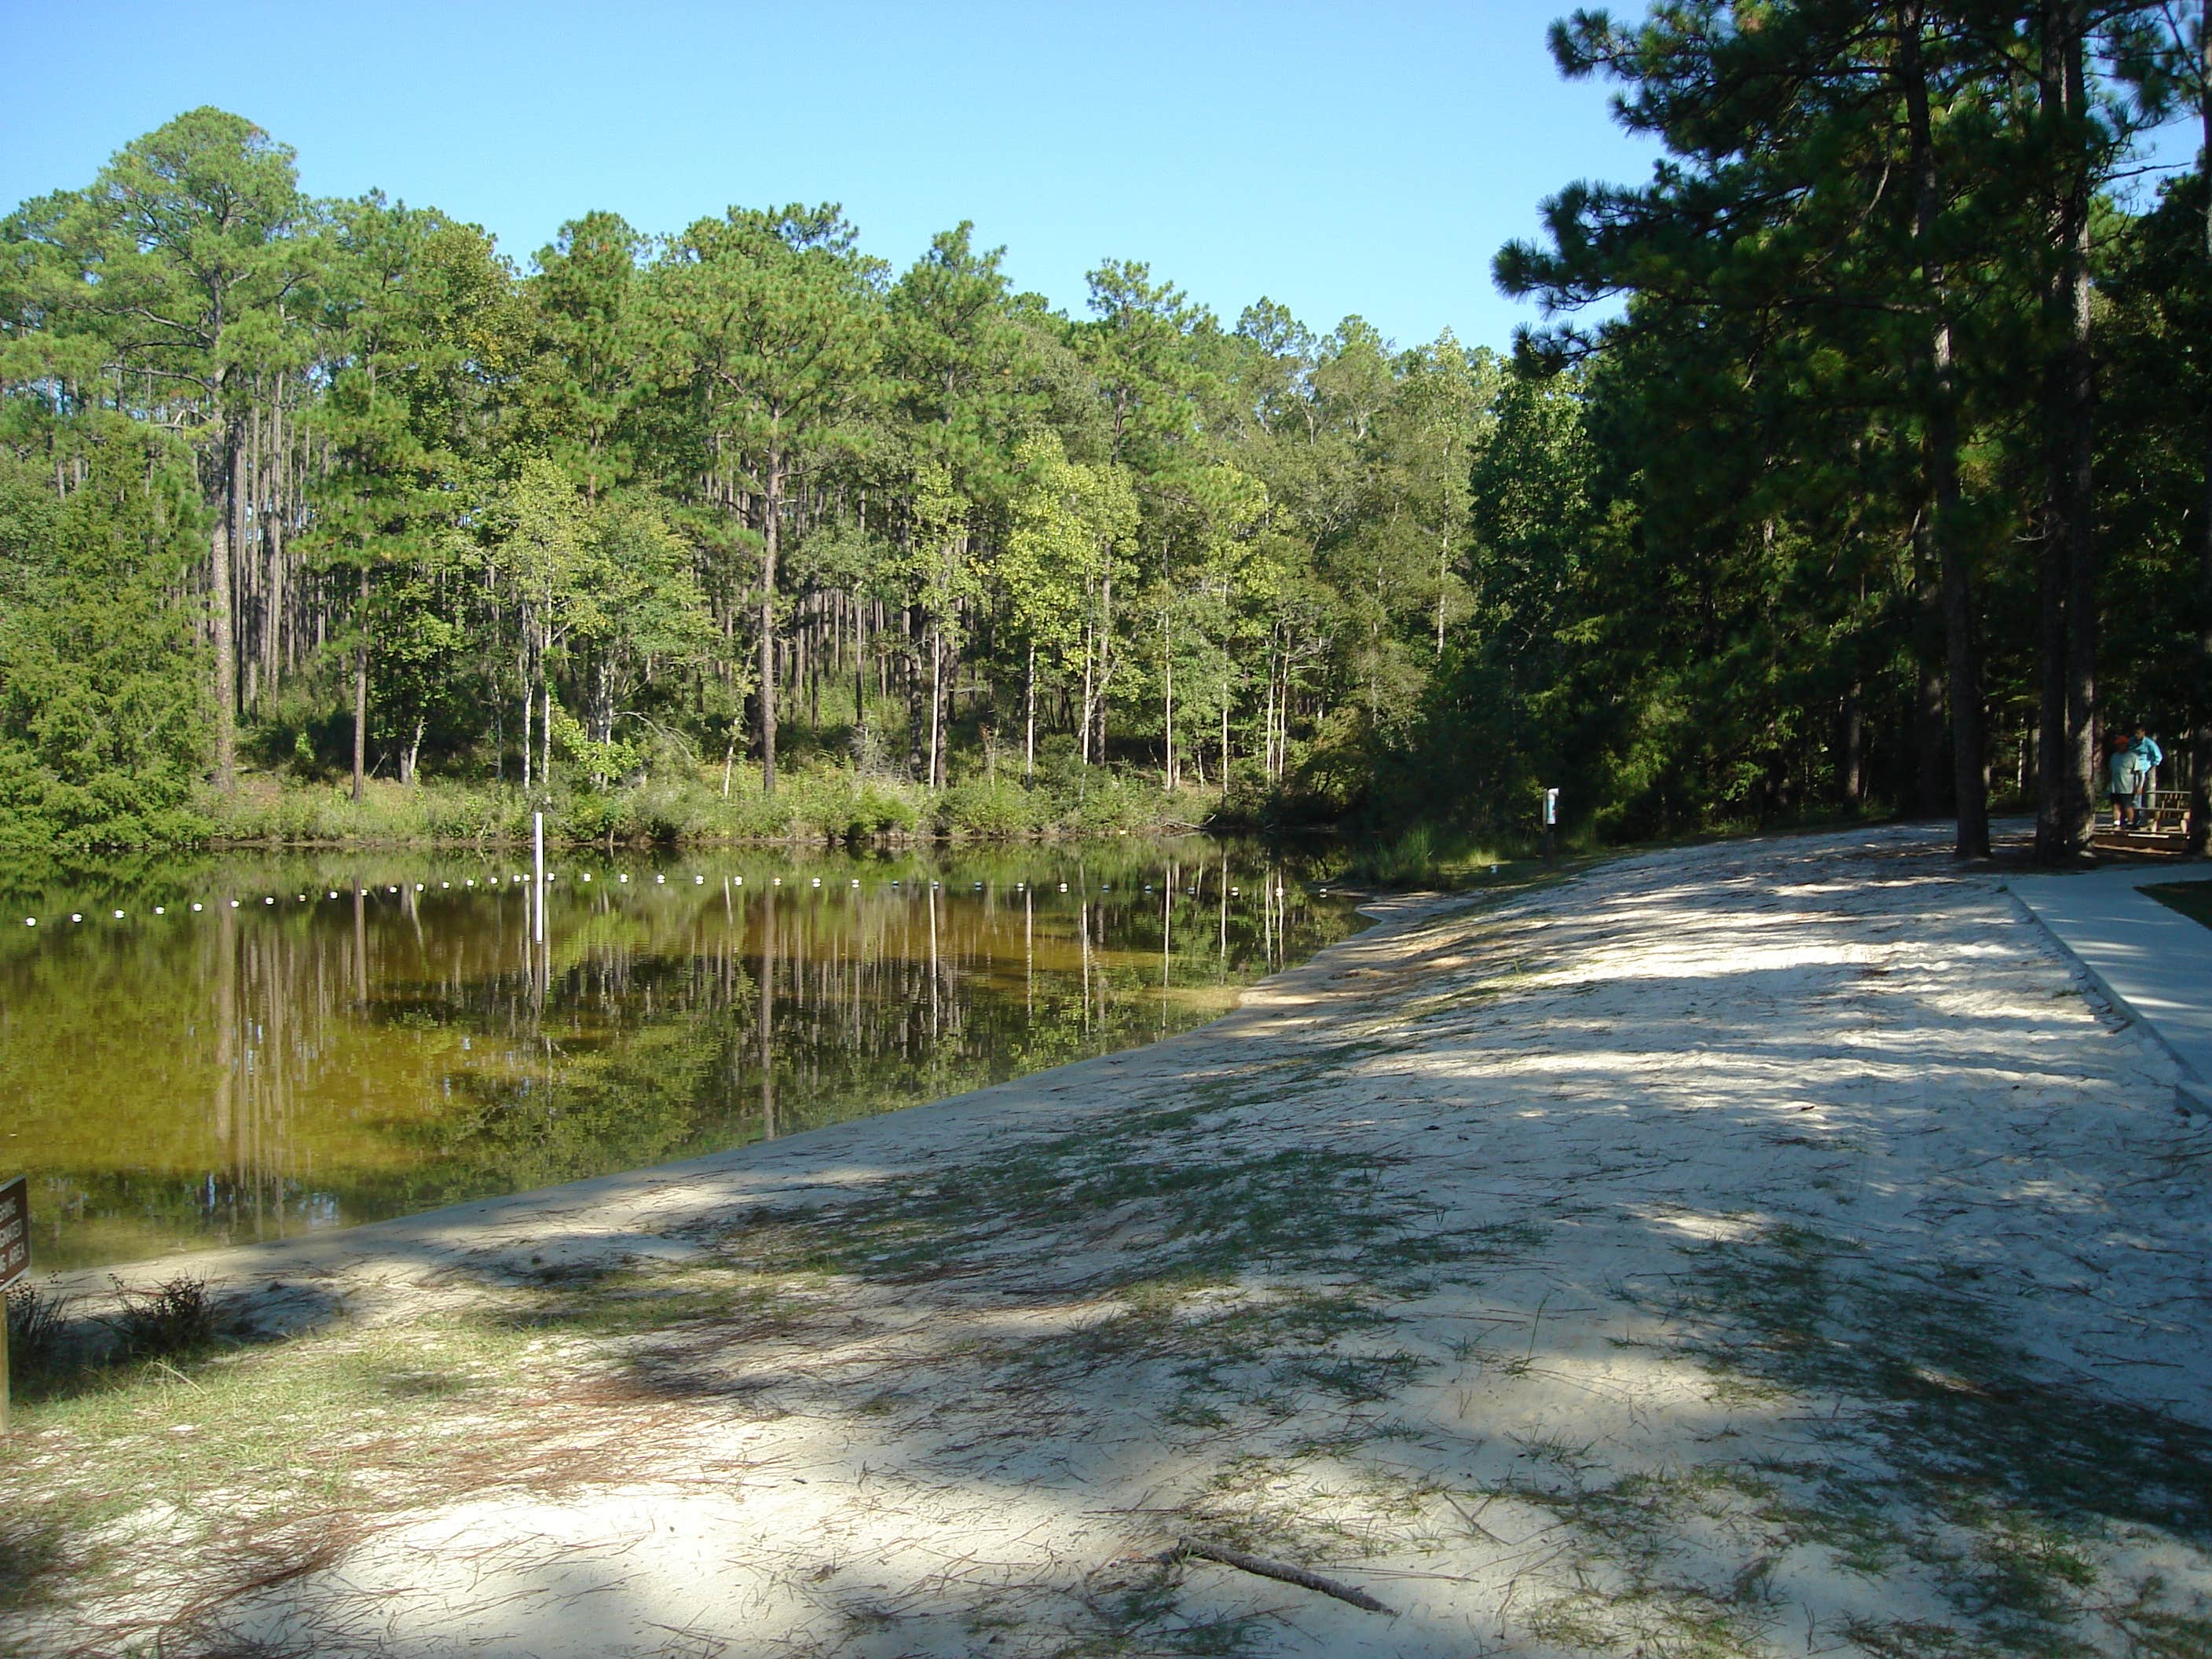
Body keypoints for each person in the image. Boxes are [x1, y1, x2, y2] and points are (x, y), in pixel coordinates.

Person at [2108, 730, 2144, 831]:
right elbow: (2110, 771)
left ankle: (2130, 823)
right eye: (2118, 745)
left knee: (2128, 806)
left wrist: (2139, 786)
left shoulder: (2133, 757)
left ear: (2125, 745)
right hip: (2115, 787)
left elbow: (2140, 773)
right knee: (2116, 805)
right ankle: (2116, 823)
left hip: (2127, 788)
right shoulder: (2114, 757)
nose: (2119, 747)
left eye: (2121, 745)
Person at [2133, 726, 2163, 826]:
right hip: (2130, 770)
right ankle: (2130, 819)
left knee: (2139, 794)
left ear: (2143, 733)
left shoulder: (2149, 743)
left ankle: (2138, 819)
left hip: (2142, 770)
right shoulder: (2131, 742)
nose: (2137, 735)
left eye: (2138, 733)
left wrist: (2152, 766)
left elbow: (2158, 756)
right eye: (2135, 733)